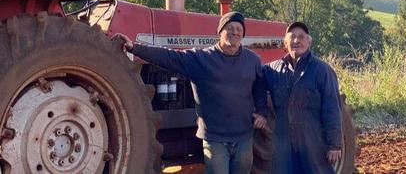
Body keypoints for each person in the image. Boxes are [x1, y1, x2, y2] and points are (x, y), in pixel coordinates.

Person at [112, 11, 267, 174]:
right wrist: (135, 48)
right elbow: (170, 57)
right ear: (220, 31)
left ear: (242, 33)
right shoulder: (202, 59)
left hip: (244, 137)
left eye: (238, 29)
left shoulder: (253, 60)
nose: (234, 32)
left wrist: (262, 112)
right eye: (229, 28)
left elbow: (260, 88)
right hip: (215, 138)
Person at [263, 21, 343, 174]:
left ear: (309, 41)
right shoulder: (271, 69)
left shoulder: (322, 71)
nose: (296, 41)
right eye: (292, 37)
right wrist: (260, 111)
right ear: (285, 42)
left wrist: (334, 145)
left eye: (301, 37)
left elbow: (332, 109)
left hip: (313, 141)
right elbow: (255, 87)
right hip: (284, 144)